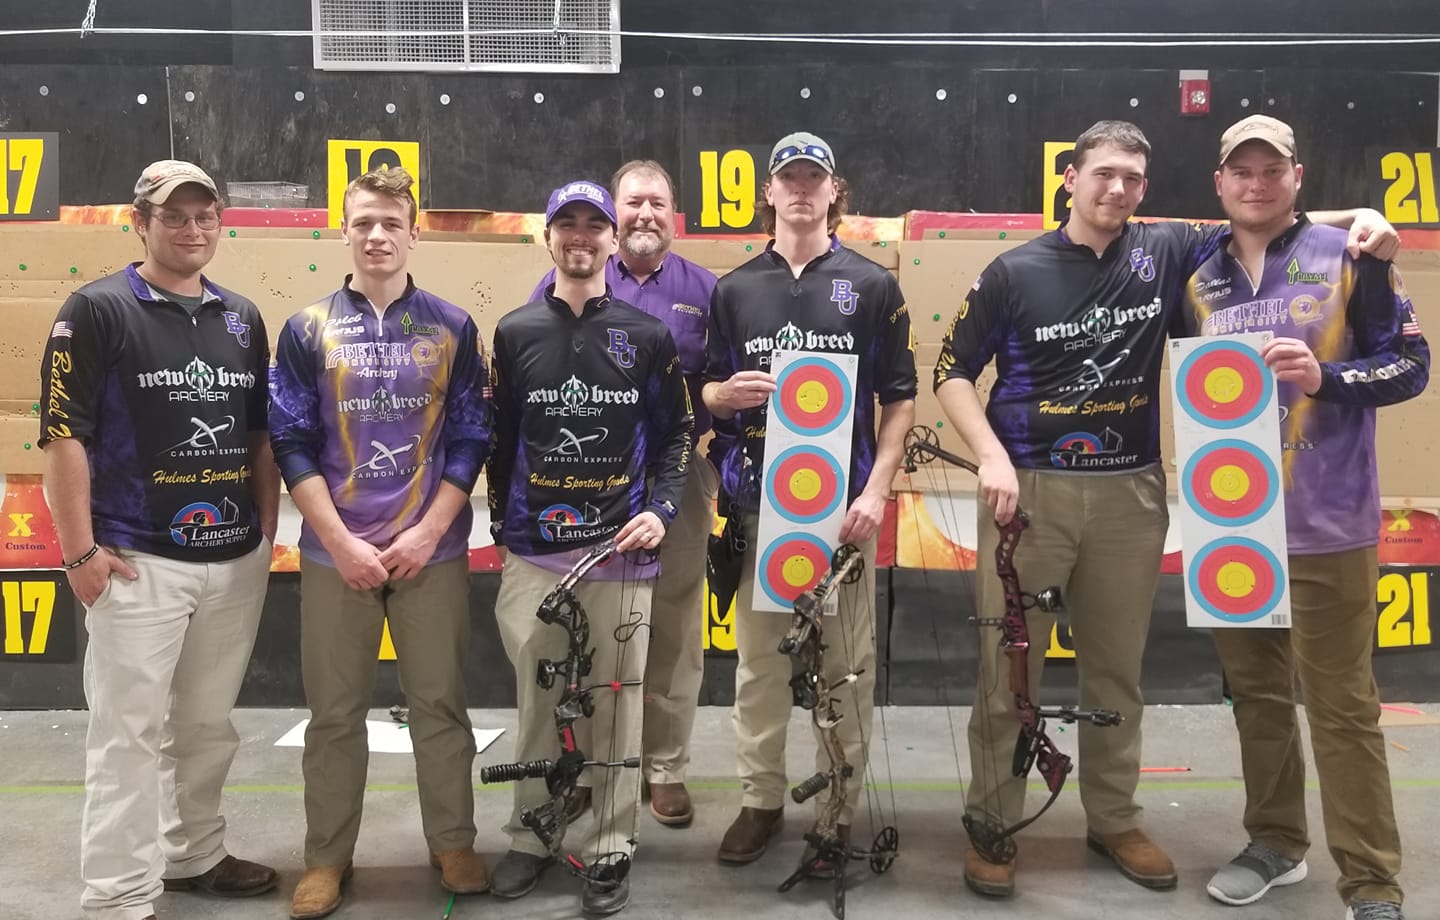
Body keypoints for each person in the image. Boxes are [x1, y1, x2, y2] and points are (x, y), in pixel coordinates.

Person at [932, 119, 1401, 899]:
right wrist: (989, 455)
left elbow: (1267, 215)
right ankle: (992, 823)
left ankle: (1114, 819)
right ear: (1070, 178)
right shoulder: (1013, 270)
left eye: (1132, 179)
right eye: (1103, 173)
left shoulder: (1169, 250)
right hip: (1030, 492)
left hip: (1132, 492)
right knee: (1007, 672)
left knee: (1117, 676)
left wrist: (1362, 218)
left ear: (1145, 190)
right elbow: (950, 369)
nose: (1116, 189)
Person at [1186, 114, 1425, 920]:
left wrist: (1327, 377)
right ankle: (1276, 844)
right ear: (1219, 182)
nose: (1256, 184)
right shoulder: (1198, 267)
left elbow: (1410, 366)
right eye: (1241, 171)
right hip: (1230, 527)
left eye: (1272, 170)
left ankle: (1372, 884)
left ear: (1297, 176)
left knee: (1343, 710)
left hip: (1329, 524)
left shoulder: (1352, 255)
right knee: (1256, 700)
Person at [38, 159, 279, 920]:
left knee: (206, 726)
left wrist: (264, 535)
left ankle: (194, 853)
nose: (192, 228)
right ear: (139, 222)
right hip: (135, 559)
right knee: (128, 734)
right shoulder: (96, 309)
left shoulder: (242, 317)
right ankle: (118, 895)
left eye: (205, 215)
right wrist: (79, 552)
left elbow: (258, 436)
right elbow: (62, 437)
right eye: (174, 215)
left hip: (232, 559)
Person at [269, 167, 493, 919]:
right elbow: (292, 442)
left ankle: (453, 842)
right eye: (363, 222)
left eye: (391, 223)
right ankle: (326, 859)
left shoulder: (453, 326)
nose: (377, 236)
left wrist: (429, 531)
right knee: (334, 715)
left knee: (441, 704)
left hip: (433, 552)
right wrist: (338, 541)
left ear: (413, 234)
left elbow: (472, 436)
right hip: (337, 555)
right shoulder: (306, 329)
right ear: (343, 230)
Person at [702, 131, 918, 867]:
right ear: (768, 192)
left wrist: (878, 490)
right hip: (758, 510)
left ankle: (837, 809)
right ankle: (760, 801)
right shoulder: (734, 290)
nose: (800, 188)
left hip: (843, 514)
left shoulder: (873, 285)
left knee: (846, 670)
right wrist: (721, 396)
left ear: (833, 190)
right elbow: (706, 389)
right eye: (788, 177)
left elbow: (900, 400)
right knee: (761, 668)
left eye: (813, 178)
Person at [487, 179, 694, 915]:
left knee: (615, 708)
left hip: (621, 556)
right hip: (535, 552)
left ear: (611, 239)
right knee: (538, 703)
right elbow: (501, 439)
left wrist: (661, 510)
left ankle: (609, 847)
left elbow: (677, 432)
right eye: (566, 224)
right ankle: (530, 836)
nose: (580, 236)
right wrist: (503, 528)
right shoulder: (514, 332)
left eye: (593, 225)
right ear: (547, 237)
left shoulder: (647, 336)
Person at [530, 160, 720, 827]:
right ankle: (585, 763)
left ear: (675, 217)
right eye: (633, 202)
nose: (645, 214)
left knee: (674, 625)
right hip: (588, 478)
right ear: (614, 219)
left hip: (678, 478)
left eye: (658, 203)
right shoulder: (567, 277)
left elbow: (722, 385)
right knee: (585, 622)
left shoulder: (707, 292)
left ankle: (663, 766)